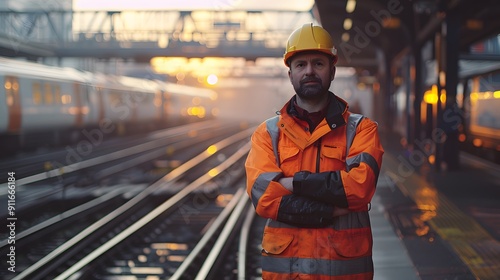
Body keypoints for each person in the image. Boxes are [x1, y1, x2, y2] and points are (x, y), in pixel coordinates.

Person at [245, 23, 384, 279]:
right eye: (301, 65)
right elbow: (264, 197)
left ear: (332, 71)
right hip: (289, 273)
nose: (309, 71)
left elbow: (359, 188)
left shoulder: (361, 130)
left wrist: (291, 183)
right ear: (290, 74)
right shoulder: (268, 134)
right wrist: (329, 211)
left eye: (318, 64)